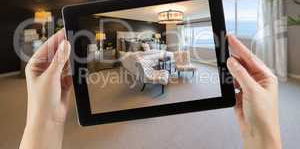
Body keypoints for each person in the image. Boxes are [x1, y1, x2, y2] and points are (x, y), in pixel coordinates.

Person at [19, 29, 282, 149]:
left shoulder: (156, 43)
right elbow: (136, 56)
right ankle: (162, 76)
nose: (152, 43)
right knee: (160, 58)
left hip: (160, 59)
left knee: (164, 56)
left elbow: (159, 49)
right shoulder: (128, 53)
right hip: (142, 64)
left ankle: (168, 74)